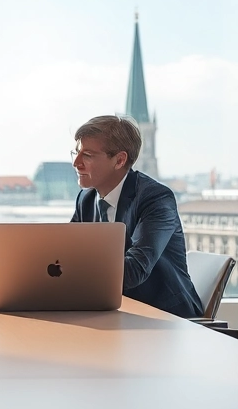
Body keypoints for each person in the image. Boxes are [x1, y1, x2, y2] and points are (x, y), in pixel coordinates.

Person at [69, 115, 203, 319]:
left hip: (167, 319)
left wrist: (70, 274)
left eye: (87, 155)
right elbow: (64, 254)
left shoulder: (156, 198)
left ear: (120, 160)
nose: (76, 163)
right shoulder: (86, 199)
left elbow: (134, 270)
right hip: (115, 312)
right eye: (76, 153)